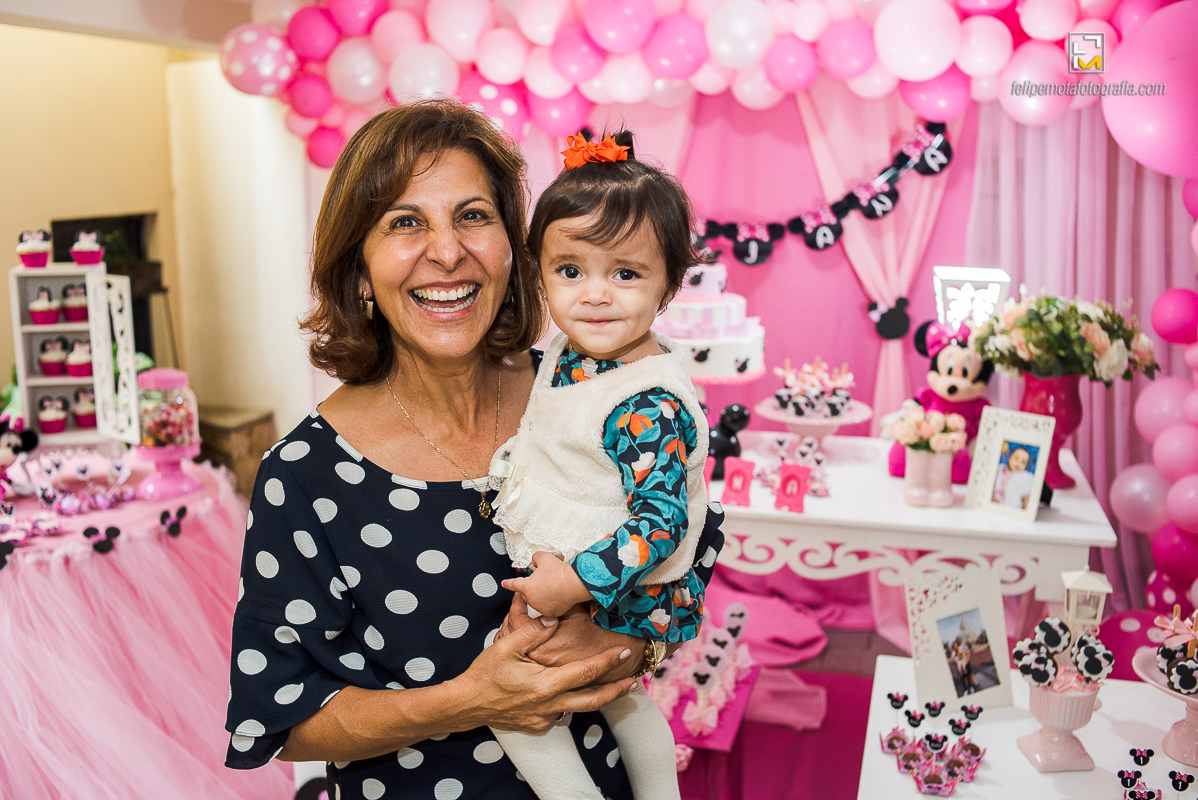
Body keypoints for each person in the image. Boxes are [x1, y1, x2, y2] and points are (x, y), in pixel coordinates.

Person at [223, 100, 724, 800]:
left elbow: (690, 547)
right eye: (405, 222)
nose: (448, 251)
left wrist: (629, 646)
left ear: (517, 251)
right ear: (360, 269)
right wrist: (474, 698)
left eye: (472, 216)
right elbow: (283, 718)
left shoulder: (579, 393)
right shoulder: (305, 475)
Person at [485, 131, 707, 800]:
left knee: (515, 706)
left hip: (619, 587)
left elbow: (662, 523)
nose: (595, 295)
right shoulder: (569, 352)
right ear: (541, 272)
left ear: (670, 280)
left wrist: (574, 584)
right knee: (622, 700)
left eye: (626, 273)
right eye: (570, 271)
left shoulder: (644, 403)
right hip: (591, 573)